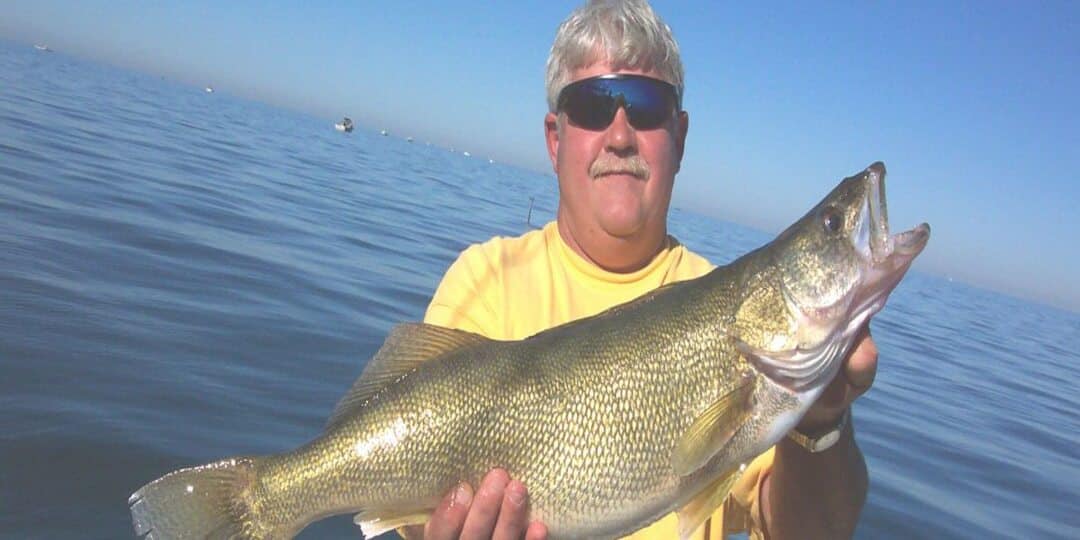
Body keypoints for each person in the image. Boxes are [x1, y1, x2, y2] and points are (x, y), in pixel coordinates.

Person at [406, 1, 873, 538]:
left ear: (680, 136)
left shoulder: (727, 316)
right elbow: (412, 504)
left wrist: (822, 419)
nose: (621, 135)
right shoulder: (484, 281)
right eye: (593, 104)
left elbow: (814, 531)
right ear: (555, 139)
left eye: (647, 107)